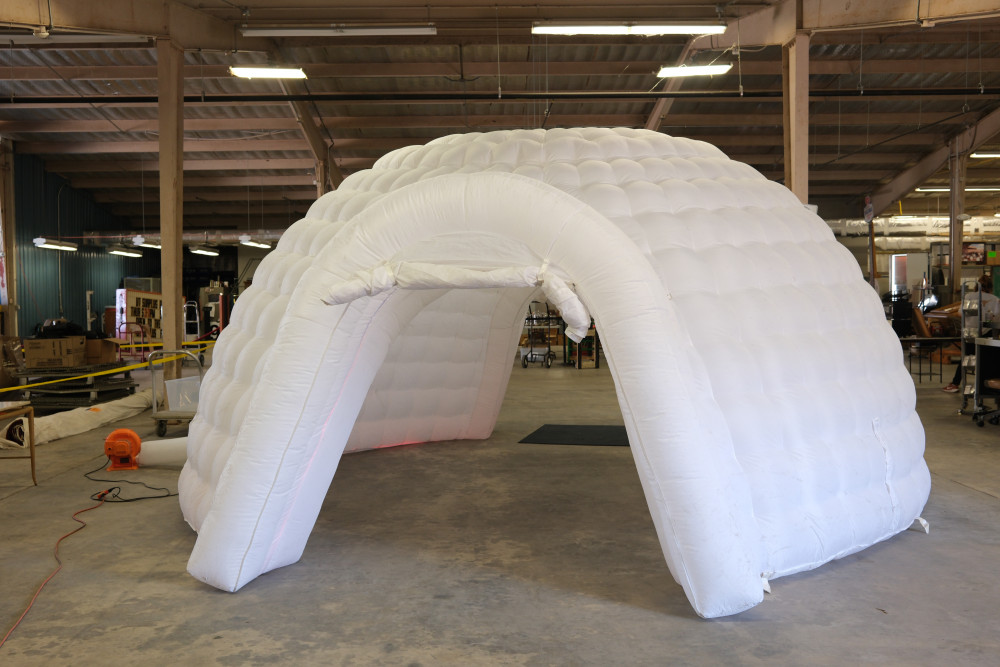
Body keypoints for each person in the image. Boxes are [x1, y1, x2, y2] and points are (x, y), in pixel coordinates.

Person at [943, 273, 1000, 392]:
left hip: (970, 333)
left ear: (976, 286)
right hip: (987, 334)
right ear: (990, 287)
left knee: (966, 358)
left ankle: (955, 383)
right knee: (987, 361)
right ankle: (985, 386)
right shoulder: (995, 299)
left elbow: (960, 313)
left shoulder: (969, 296)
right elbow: (996, 317)